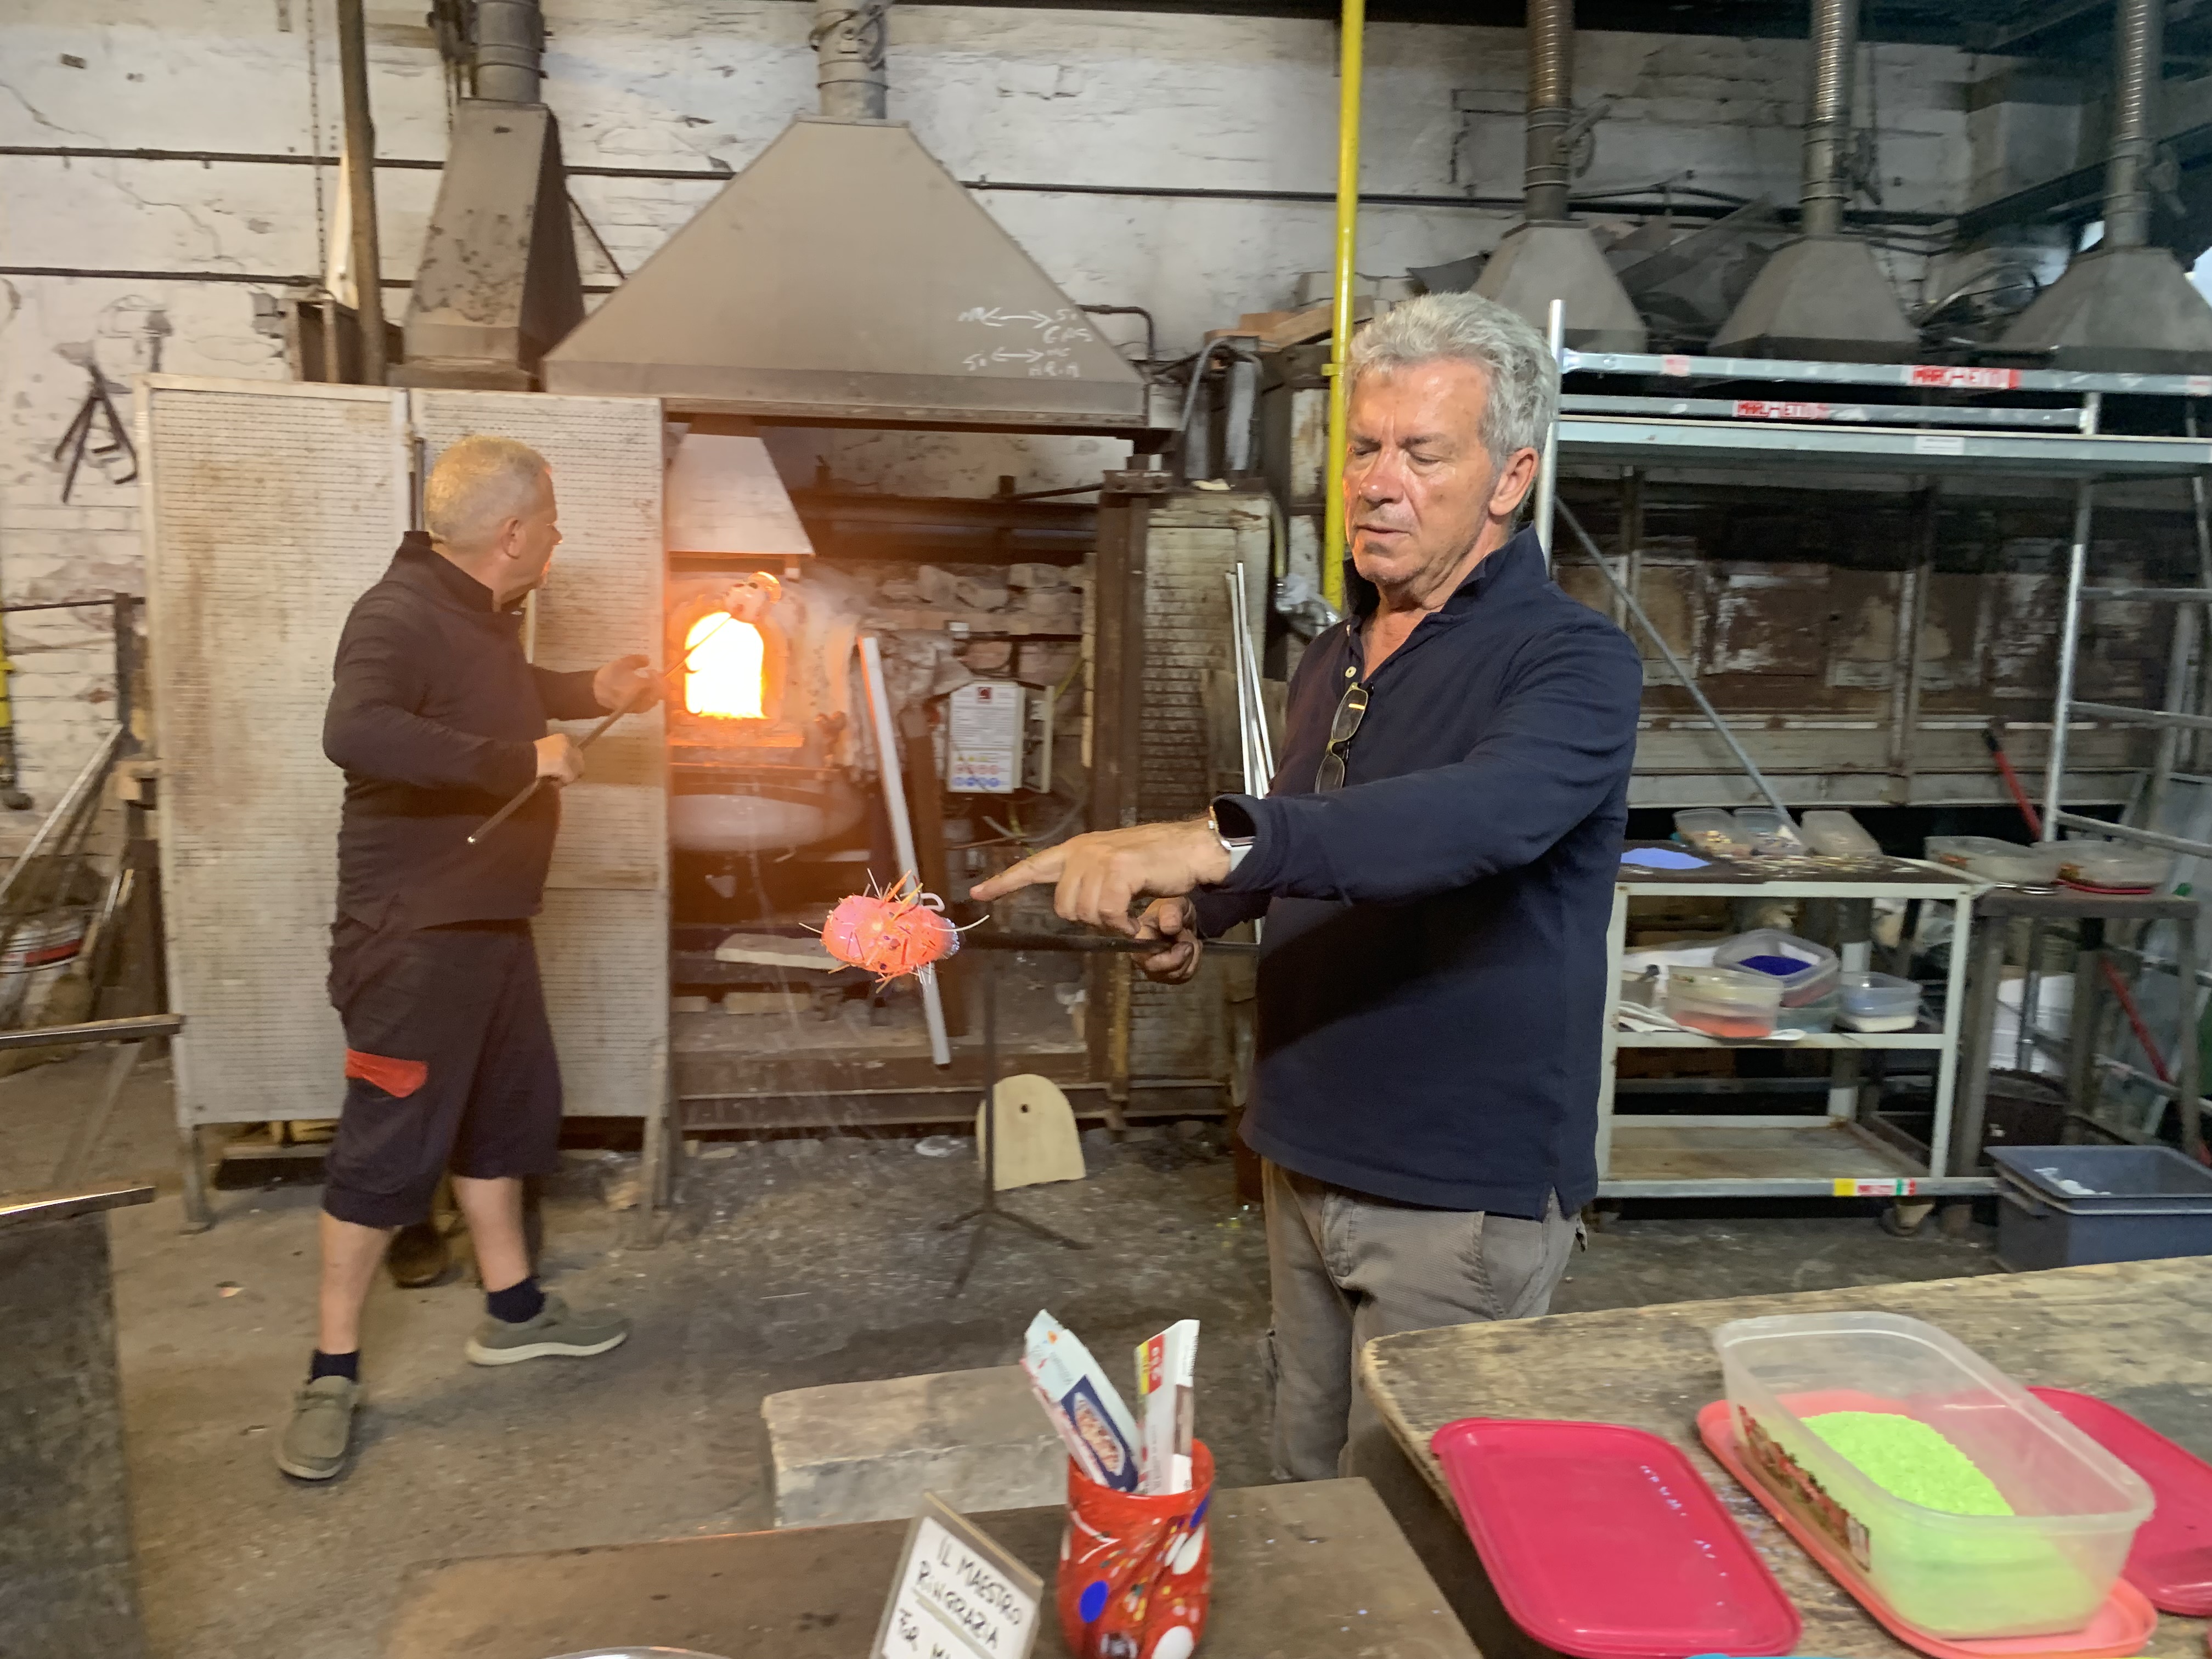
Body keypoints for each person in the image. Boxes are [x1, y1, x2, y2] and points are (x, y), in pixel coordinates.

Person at [970, 292, 1644, 1480]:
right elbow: (1314, 828)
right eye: (1365, 448)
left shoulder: (1572, 661)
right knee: (1305, 1486)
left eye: (1423, 454)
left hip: (1452, 1189)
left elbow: (1477, 820)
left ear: (1510, 477)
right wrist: (1200, 906)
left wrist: (1209, 843)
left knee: (1416, 1521)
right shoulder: (1340, 653)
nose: (1378, 484)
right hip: (1305, 1150)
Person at [278, 435, 653, 1481]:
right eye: (554, 523)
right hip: (414, 934)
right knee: (387, 1145)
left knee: (503, 1117)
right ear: (514, 532)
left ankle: (514, 1312)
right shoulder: (396, 612)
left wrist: (589, 686)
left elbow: (498, 691)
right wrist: (517, 760)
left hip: (489, 922)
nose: (561, 540)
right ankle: (330, 1373)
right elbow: (356, 730)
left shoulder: (476, 614)